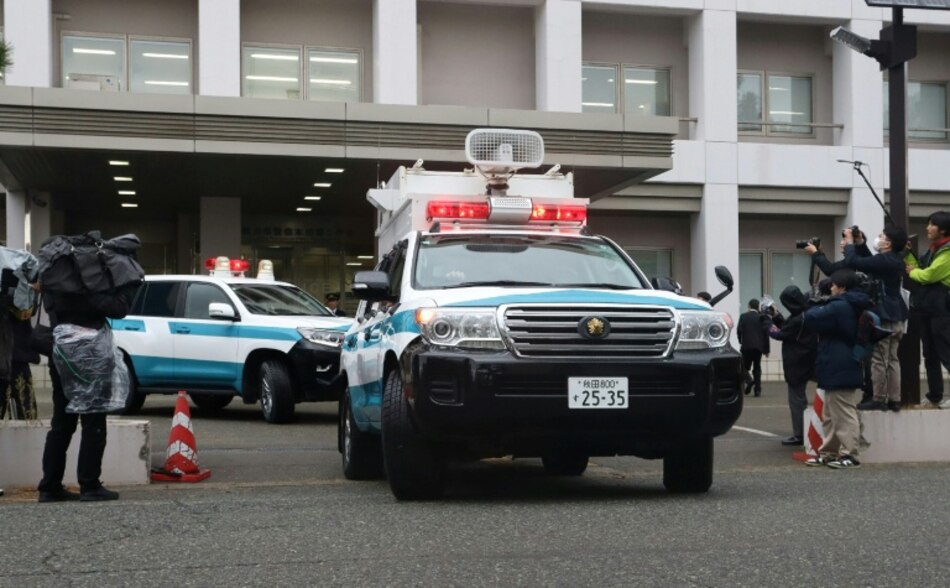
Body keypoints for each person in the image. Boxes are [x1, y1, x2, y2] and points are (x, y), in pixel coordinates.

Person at [37, 285, 135, 502]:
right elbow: (117, 308)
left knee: (61, 423)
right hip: (92, 352)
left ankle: (49, 487)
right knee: (94, 421)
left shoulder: (56, 270)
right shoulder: (92, 273)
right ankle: (89, 484)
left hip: (60, 349)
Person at [802, 269, 871, 469]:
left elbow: (812, 317)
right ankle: (829, 452)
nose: (830, 288)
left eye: (833, 285)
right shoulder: (852, 304)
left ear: (842, 287)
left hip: (840, 364)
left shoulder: (841, 306)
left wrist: (813, 301)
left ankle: (851, 454)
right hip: (840, 362)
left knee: (844, 412)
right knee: (831, 413)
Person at [838, 225, 909, 412]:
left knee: (879, 358)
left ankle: (879, 398)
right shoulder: (893, 260)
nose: (878, 238)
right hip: (897, 314)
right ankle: (895, 399)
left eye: (881, 236)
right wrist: (861, 242)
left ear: (888, 243)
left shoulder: (885, 260)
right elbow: (870, 261)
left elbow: (854, 261)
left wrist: (850, 243)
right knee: (893, 359)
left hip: (884, 314)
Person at [905, 211, 950, 409]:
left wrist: (914, 272)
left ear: (943, 229)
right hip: (928, 309)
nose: (927, 228)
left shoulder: (947, 252)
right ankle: (934, 396)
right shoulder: (933, 249)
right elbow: (918, 268)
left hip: (942, 309)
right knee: (930, 354)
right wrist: (908, 254)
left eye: (932, 224)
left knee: (946, 351)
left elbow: (928, 275)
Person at [769, 285, 818, 446]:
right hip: (806, 360)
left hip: (797, 363)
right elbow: (787, 328)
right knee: (800, 398)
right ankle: (803, 432)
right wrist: (776, 318)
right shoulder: (804, 314)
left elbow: (781, 334)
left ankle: (800, 434)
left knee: (796, 400)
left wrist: (766, 324)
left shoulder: (799, 319)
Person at [737, 298, 770, 397]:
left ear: (749, 306)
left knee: (744, 367)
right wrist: (767, 350)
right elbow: (766, 334)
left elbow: (739, 331)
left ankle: (748, 381)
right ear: (758, 307)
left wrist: (741, 341)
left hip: (746, 346)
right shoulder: (761, 317)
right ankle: (758, 390)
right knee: (757, 367)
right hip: (758, 347)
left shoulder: (743, 316)